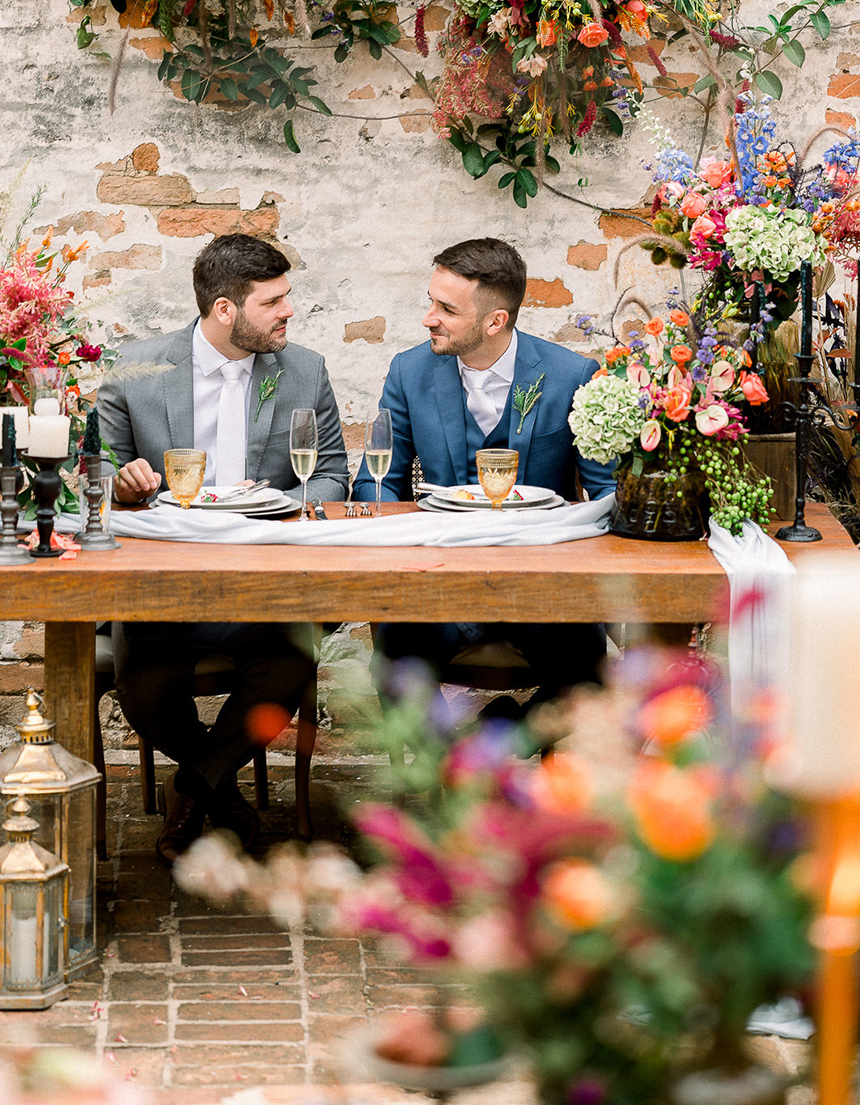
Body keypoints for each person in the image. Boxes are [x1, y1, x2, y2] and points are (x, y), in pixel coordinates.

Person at [96, 232, 348, 862]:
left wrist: (281, 503)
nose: (289, 311)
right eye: (274, 301)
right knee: (144, 684)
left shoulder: (305, 370)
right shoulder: (136, 372)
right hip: (164, 592)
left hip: (264, 584)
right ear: (225, 310)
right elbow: (95, 476)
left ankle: (193, 783)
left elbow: (333, 475)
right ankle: (221, 789)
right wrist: (123, 486)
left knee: (293, 657)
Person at [353, 237, 614, 707]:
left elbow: (606, 496)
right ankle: (447, 765)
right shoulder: (408, 372)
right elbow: (378, 481)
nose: (429, 317)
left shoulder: (571, 375)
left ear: (496, 321)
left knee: (590, 668)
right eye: (431, 302)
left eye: (446, 309)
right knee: (393, 659)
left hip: (542, 591)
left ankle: (501, 742)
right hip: (439, 589)